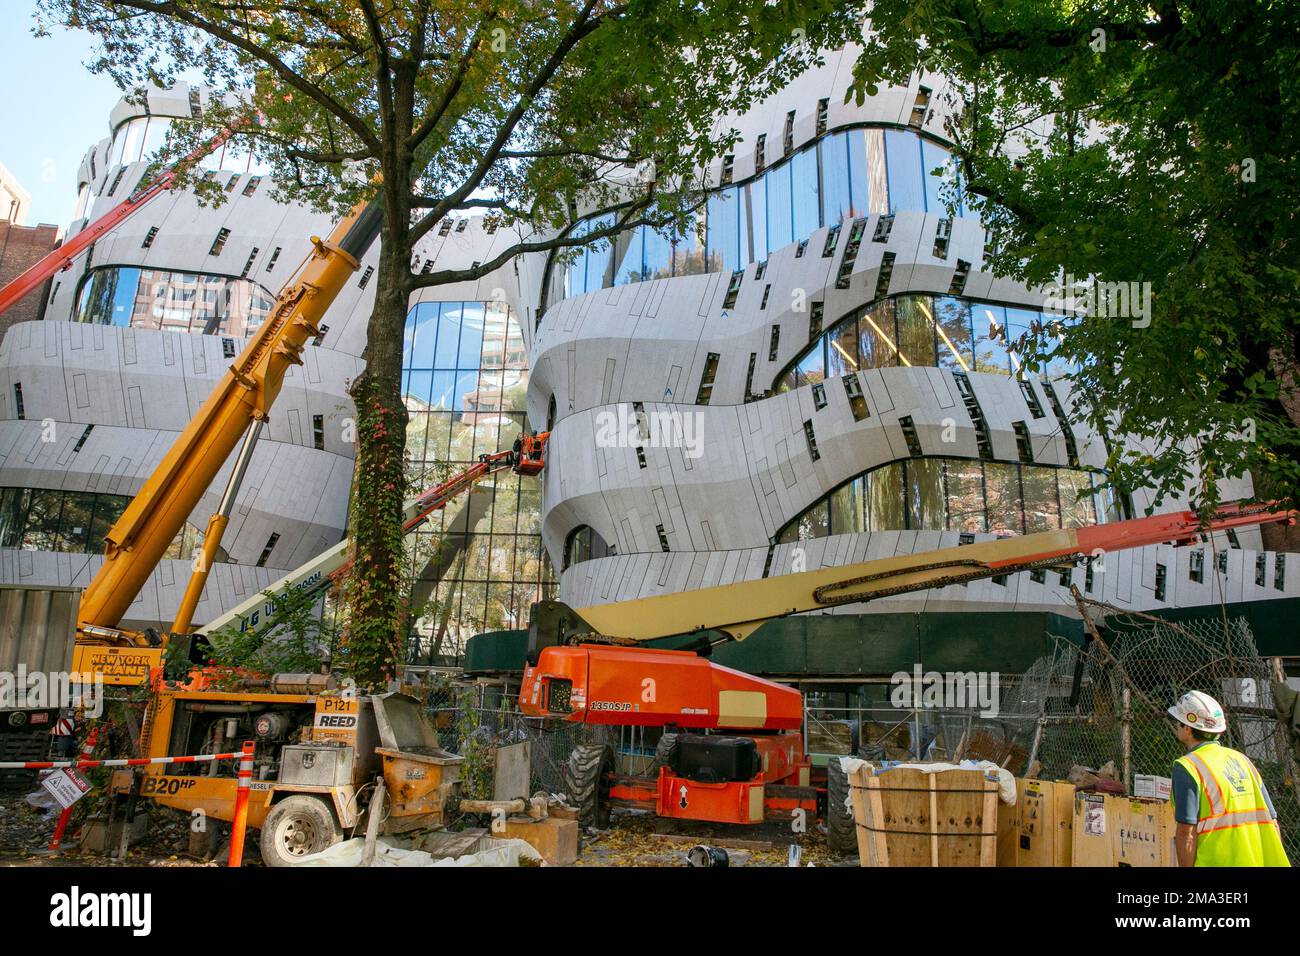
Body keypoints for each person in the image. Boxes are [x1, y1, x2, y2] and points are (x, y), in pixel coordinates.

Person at [1168, 690, 1290, 867]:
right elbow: (1272, 823)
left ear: (1188, 729)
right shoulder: (1243, 760)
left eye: (1178, 723)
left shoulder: (1187, 767)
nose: (1176, 727)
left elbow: (1186, 832)